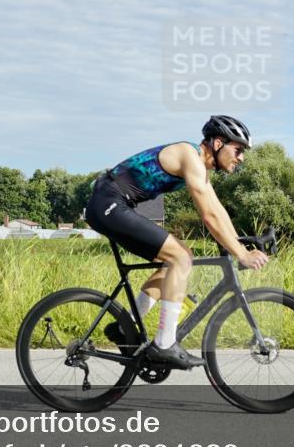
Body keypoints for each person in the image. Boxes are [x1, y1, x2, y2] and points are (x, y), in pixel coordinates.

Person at [84, 115, 269, 369]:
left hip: (114, 203)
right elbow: (208, 215)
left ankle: (124, 326)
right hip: (109, 203)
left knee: (179, 256)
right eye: (237, 150)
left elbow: (217, 209)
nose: (241, 158)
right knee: (179, 258)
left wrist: (239, 243)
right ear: (217, 144)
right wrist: (241, 254)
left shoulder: (200, 167)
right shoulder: (189, 155)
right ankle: (164, 344)